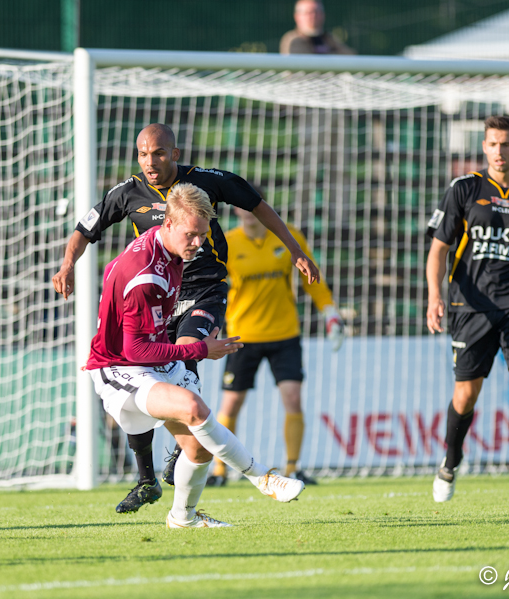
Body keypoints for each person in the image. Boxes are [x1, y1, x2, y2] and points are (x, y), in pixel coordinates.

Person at [52, 124, 319, 514]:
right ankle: (148, 479)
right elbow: (85, 229)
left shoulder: (208, 182)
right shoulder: (128, 201)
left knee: (180, 359)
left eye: (158, 153)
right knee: (147, 375)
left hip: (204, 288)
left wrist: (294, 250)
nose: (150, 162)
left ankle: (191, 475)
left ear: (174, 154)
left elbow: (258, 205)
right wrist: (67, 265)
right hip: (159, 295)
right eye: (143, 154)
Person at [85, 183, 306, 528]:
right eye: (191, 235)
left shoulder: (172, 250)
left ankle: (183, 517)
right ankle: (262, 477)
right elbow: (135, 349)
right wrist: (202, 348)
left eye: (203, 235)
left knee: (199, 448)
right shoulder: (146, 275)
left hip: (153, 360)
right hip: (120, 366)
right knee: (193, 408)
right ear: (168, 224)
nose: (198, 244)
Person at [426, 115, 509, 503]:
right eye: (493, 144)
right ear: (484, 147)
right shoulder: (464, 189)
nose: (499, 151)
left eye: (506, 144)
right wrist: (434, 296)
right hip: (470, 305)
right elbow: (438, 251)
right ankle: (450, 461)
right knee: (466, 394)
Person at [208, 207, 344, 487]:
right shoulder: (229, 242)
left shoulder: (289, 236)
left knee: (293, 398)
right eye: (239, 208)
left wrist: (330, 311)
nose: (246, 213)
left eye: (251, 207)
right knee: (231, 403)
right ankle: (219, 471)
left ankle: (292, 468)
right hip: (243, 336)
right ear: (235, 211)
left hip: (284, 334)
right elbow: (213, 286)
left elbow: (311, 278)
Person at [279, 0, 355, 56]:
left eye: (316, 12)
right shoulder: (292, 39)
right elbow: (306, 63)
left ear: (323, 15)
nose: (313, 16)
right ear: (297, 17)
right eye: (308, 12)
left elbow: (350, 58)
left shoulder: (329, 38)